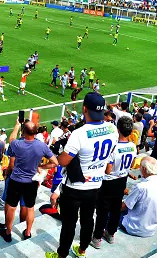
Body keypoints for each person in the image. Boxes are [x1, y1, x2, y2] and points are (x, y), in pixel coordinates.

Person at [46, 92, 119, 258]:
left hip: (75, 187)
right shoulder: (112, 129)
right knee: (88, 219)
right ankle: (82, 250)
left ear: (84, 108)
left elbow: (63, 161)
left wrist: (58, 154)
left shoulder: (80, 133)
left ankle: (62, 254)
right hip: (96, 184)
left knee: (69, 223)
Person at [0, 120, 58, 242]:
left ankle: (8, 232)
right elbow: (55, 162)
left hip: (16, 180)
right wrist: (41, 167)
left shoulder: (18, 144)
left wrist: (16, 126)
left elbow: (11, 139)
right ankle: (27, 232)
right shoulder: (41, 146)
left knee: (11, 207)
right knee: (30, 207)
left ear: (24, 131)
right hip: (31, 181)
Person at [90, 116, 137, 248]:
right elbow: (132, 164)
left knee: (103, 211)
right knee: (116, 208)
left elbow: (108, 171)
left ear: (118, 129)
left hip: (109, 182)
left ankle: (97, 237)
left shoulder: (114, 147)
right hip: (122, 180)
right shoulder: (133, 146)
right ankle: (111, 234)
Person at [121, 157, 157, 237]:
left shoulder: (141, 187)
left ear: (143, 169)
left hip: (133, 228)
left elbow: (124, 207)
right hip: (151, 230)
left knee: (112, 211)